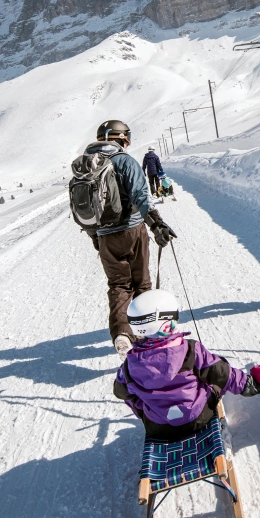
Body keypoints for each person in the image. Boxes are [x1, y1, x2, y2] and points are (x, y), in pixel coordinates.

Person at [114, 290, 260, 440]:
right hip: (198, 418)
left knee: (132, 388)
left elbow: (120, 392)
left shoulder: (129, 365)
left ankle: (156, 413)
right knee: (217, 367)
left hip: (157, 427)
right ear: (166, 324)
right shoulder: (189, 350)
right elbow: (221, 373)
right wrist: (247, 385)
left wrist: (143, 409)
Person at [82, 120, 177, 357]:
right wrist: (157, 224)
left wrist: (96, 237)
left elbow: (84, 210)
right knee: (142, 283)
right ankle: (149, 333)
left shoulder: (86, 167)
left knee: (118, 285)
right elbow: (141, 195)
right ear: (121, 138)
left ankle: (122, 334)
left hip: (105, 236)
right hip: (132, 230)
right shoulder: (124, 161)